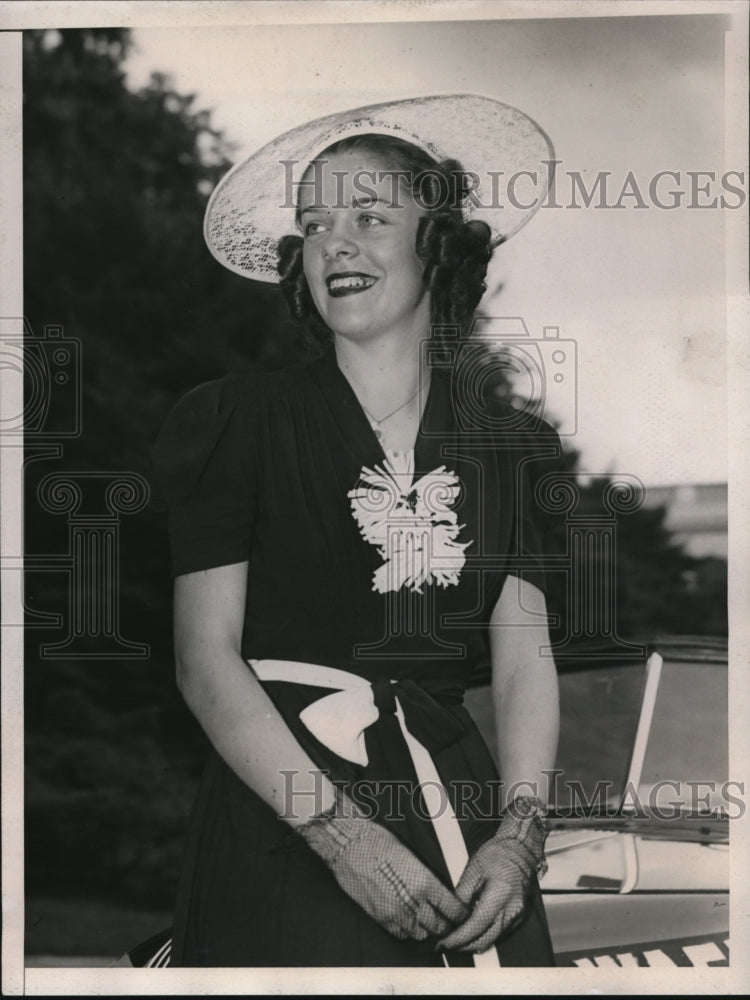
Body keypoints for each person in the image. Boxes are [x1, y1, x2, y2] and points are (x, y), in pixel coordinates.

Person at [151, 94, 563, 968]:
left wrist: (520, 839)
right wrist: (341, 837)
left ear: (436, 242)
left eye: (371, 215)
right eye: (315, 224)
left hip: (469, 823)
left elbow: (525, 662)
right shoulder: (235, 419)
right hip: (286, 817)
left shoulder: (511, 447)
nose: (336, 242)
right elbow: (204, 658)